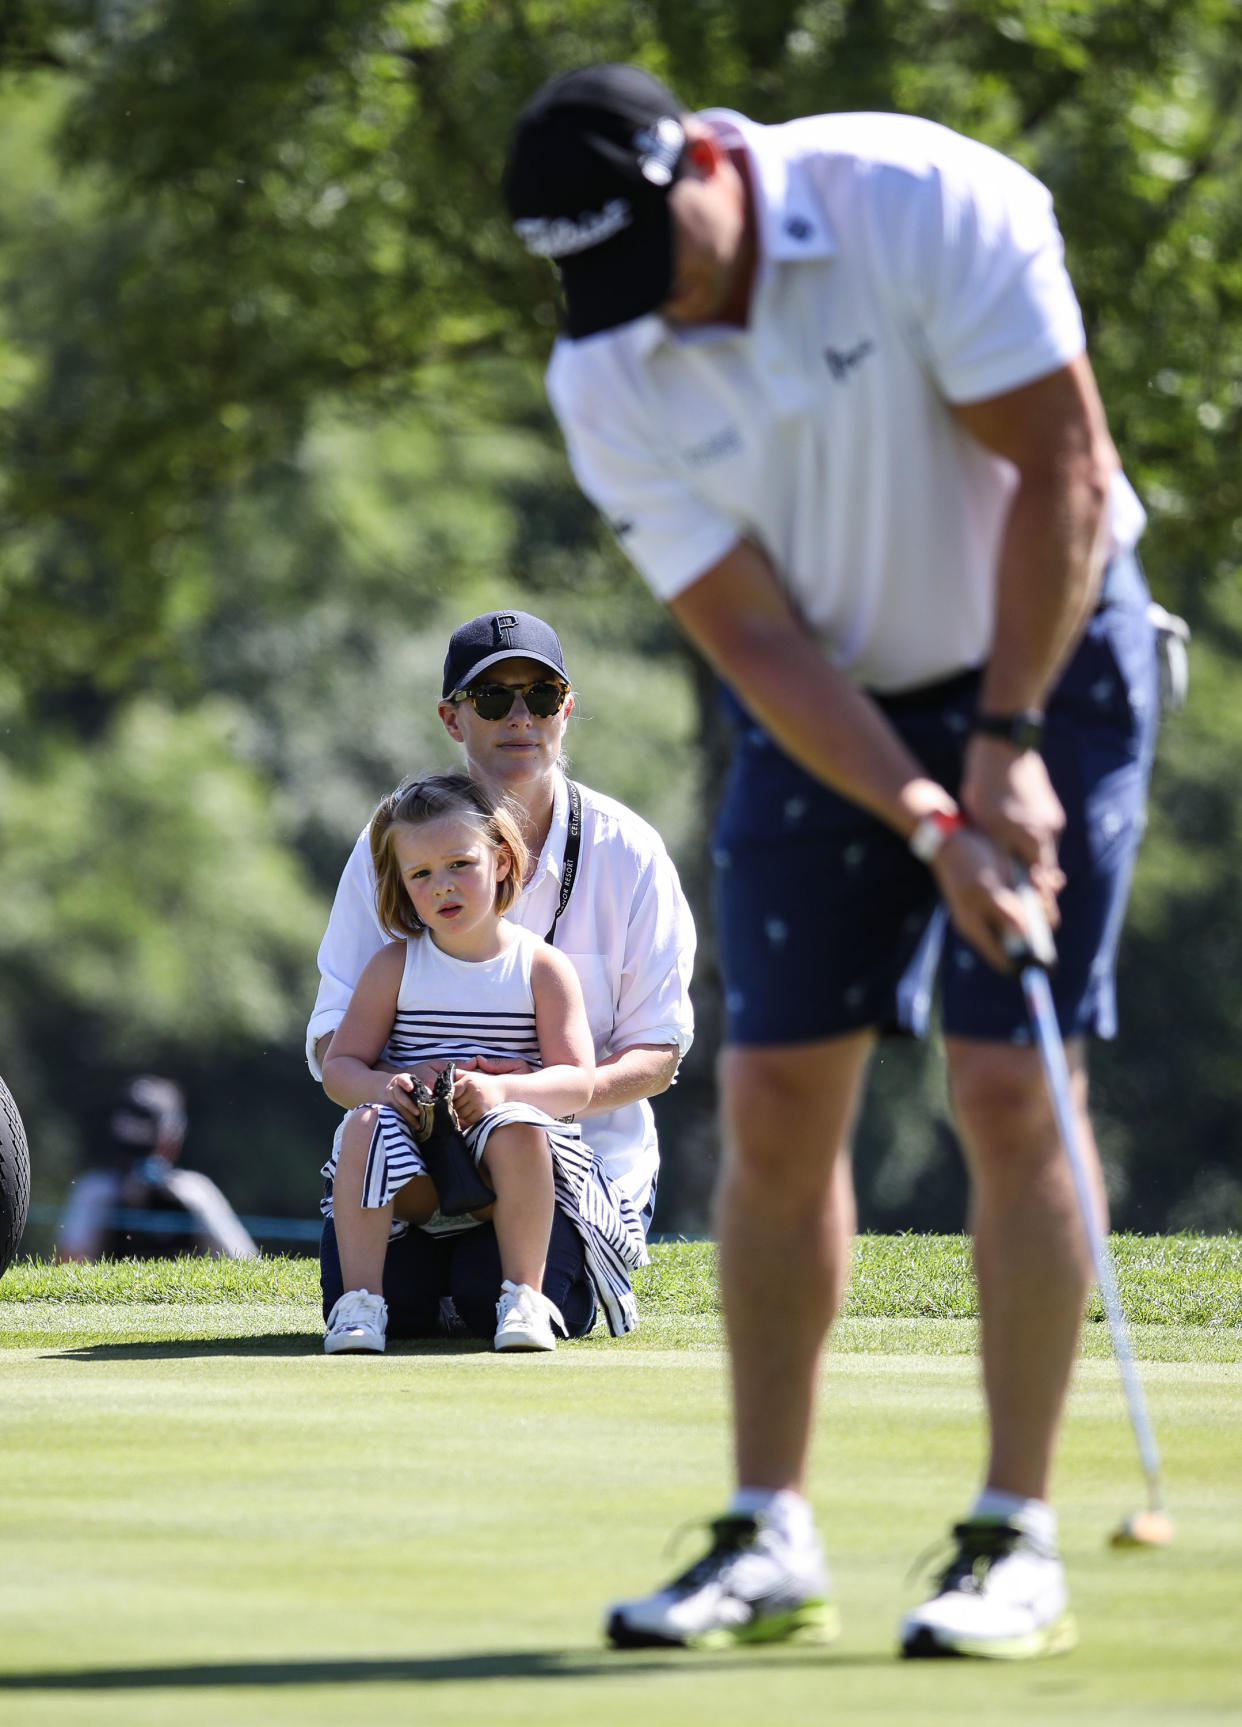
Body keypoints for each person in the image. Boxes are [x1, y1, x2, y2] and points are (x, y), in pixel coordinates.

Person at [503, 63, 1166, 1658]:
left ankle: (1012, 1537)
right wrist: (924, 814)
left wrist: (1000, 749)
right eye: (595, 286)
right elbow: (749, 636)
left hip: (1052, 644)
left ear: (703, 165)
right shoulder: (605, 366)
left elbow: (1061, 475)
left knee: (1009, 1081)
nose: (642, 308)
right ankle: (766, 1535)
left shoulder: (921, 200)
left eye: (652, 256)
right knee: (777, 1090)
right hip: (833, 693)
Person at [309, 608, 696, 1344]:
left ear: (567, 709)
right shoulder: (388, 847)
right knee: (403, 1305)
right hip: (411, 1168)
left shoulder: (632, 852)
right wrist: (416, 1094)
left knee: (488, 1293)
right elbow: (332, 1037)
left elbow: (661, 1051)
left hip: (578, 1165)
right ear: (452, 719)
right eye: (492, 699)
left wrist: (514, 1097)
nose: (520, 716)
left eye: (541, 696)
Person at [320, 772, 649, 1354]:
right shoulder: (393, 967)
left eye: (459, 864)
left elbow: (575, 1081)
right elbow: (342, 1067)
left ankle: (524, 1295)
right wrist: (387, 1085)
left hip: (508, 1172)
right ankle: (361, 1303)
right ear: (400, 883)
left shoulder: (541, 967)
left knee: (519, 1128)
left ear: (500, 860)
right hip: (415, 1169)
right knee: (365, 1125)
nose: (442, 887)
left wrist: (503, 1095)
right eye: (420, 875)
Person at [57, 1076, 258, 1261]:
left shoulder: (193, 1193)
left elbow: (244, 1263)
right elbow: (68, 1264)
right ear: (171, 1140)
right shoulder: (96, 1192)